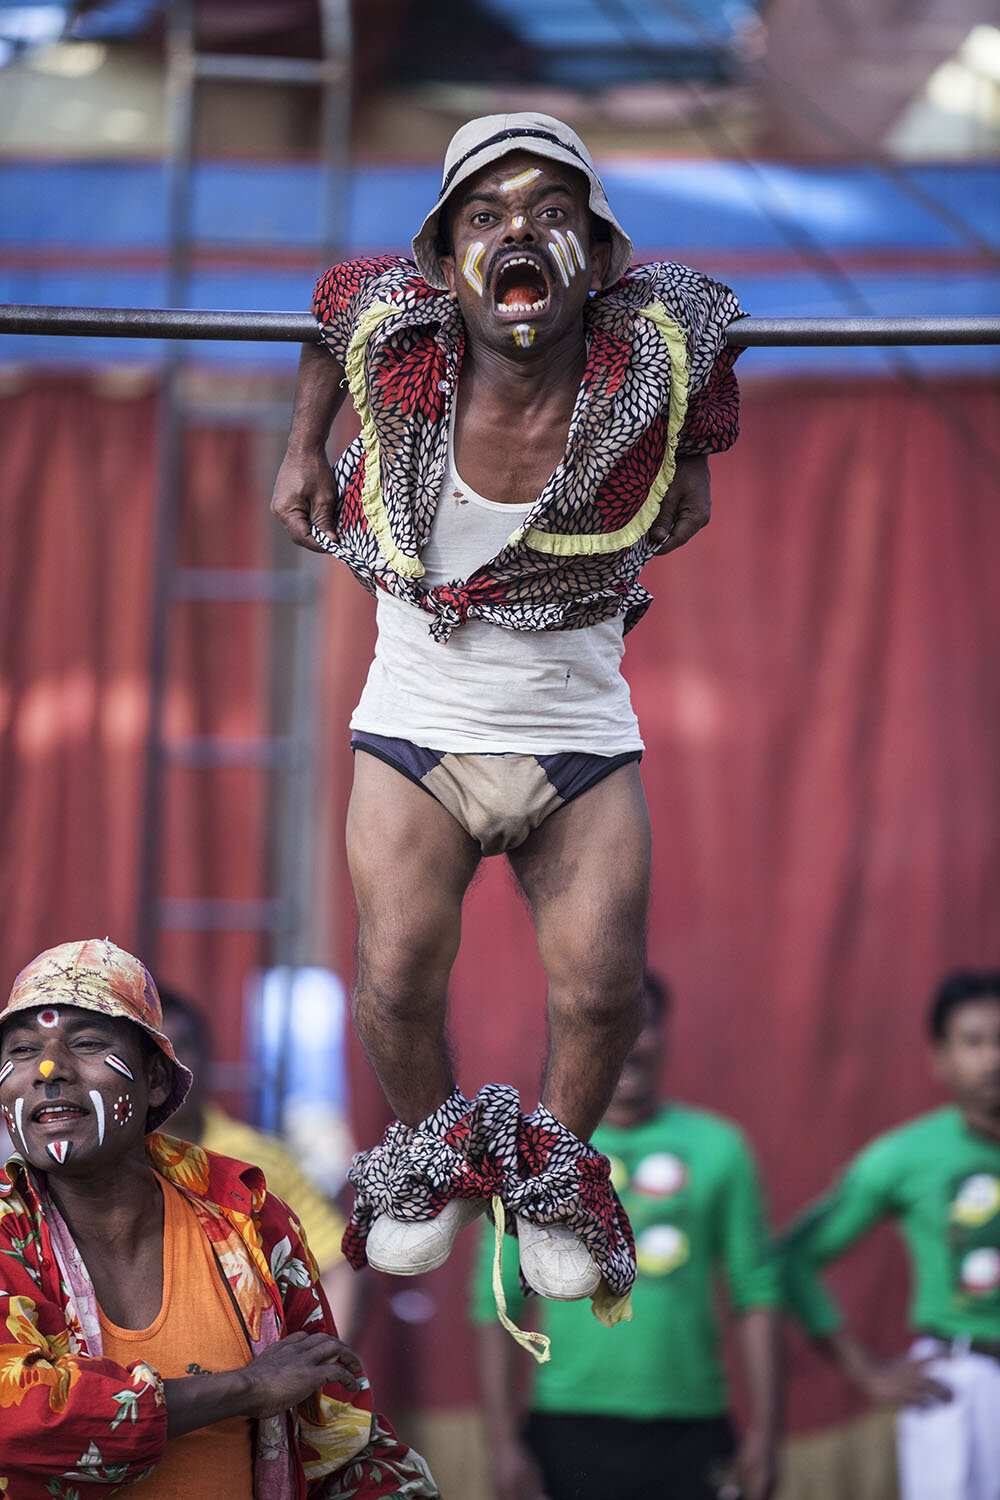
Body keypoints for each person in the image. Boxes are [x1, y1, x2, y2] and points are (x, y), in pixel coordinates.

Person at [270, 111, 743, 1303]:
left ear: (597, 250)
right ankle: (432, 1160)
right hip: (419, 711)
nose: (518, 234)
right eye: (482, 217)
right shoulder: (394, 335)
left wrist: (686, 454)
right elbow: (333, 299)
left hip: (577, 727)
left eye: (550, 214)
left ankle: (559, 1177)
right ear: (441, 264)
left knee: (600, 989)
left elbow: (711, 321)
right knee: (395, 978)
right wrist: (301, 443)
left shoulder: (657, 348)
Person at [0, 937, 438, 1500]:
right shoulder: (9, 1234)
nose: (48, 1069)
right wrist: (247, 1388)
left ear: (156, 1079)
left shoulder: (248, 1219)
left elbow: (336, 1440)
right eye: (19, 1051)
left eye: (85, 1043)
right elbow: (19, 1418)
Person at [471, 972, 781, 1500]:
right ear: (577, 1037)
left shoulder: (721, 1148)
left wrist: (767, 1438)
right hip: (566, 1422)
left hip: (692, 1422)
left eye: (642, 1025)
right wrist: (502, 1443)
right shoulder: (528, 1157)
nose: (628, 1043)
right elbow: (494, 1305)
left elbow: (757, 1296)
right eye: (608, 1026)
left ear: (665, 1034)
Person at [779, 969, 1000, 1500]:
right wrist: (866, 1371)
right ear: (940, 1059)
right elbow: (793, 1258)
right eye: (974, 1042)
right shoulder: (905, 1156)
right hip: (962, 1383)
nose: (993, 1058)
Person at [159, 983, 361, 1341]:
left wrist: (322, 1373)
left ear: (209, 1055)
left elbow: (337, 1266)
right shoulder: (100, 1162)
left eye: (184, 1046)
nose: (174, 1065)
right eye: (158, 1051)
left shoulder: (256, 1158)